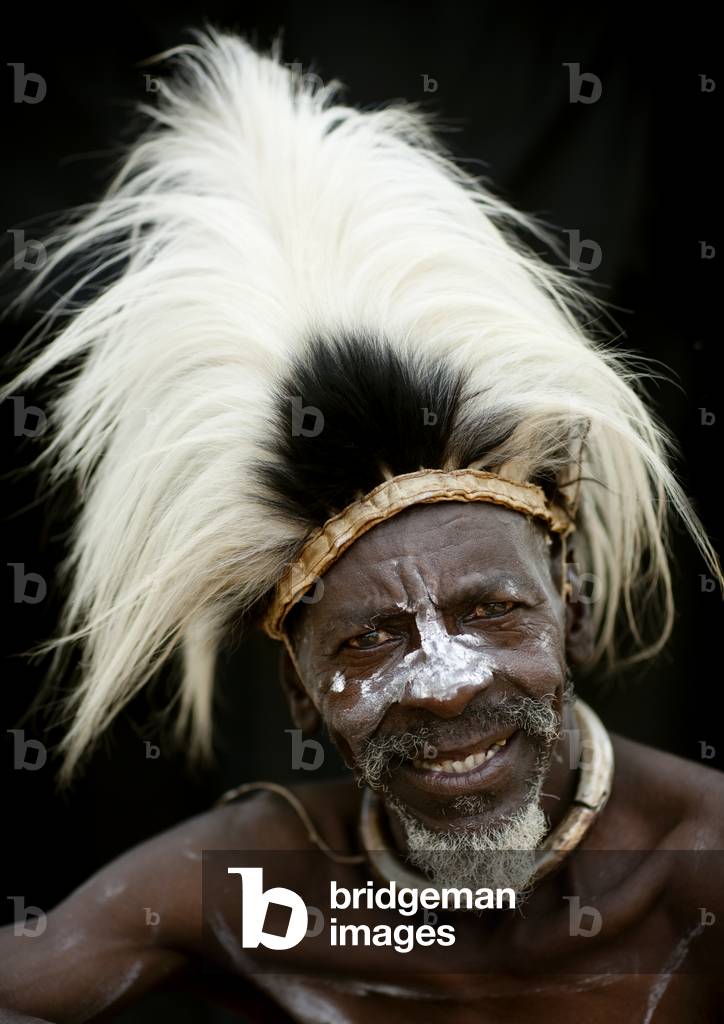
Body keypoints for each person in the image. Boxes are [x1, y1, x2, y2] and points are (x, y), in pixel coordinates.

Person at [1, 26, 722, 1022]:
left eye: (493, 608)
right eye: (369, 638)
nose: (444, 680)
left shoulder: (700, 870)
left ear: (574, 611)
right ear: (300, 691)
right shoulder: (262, 891)